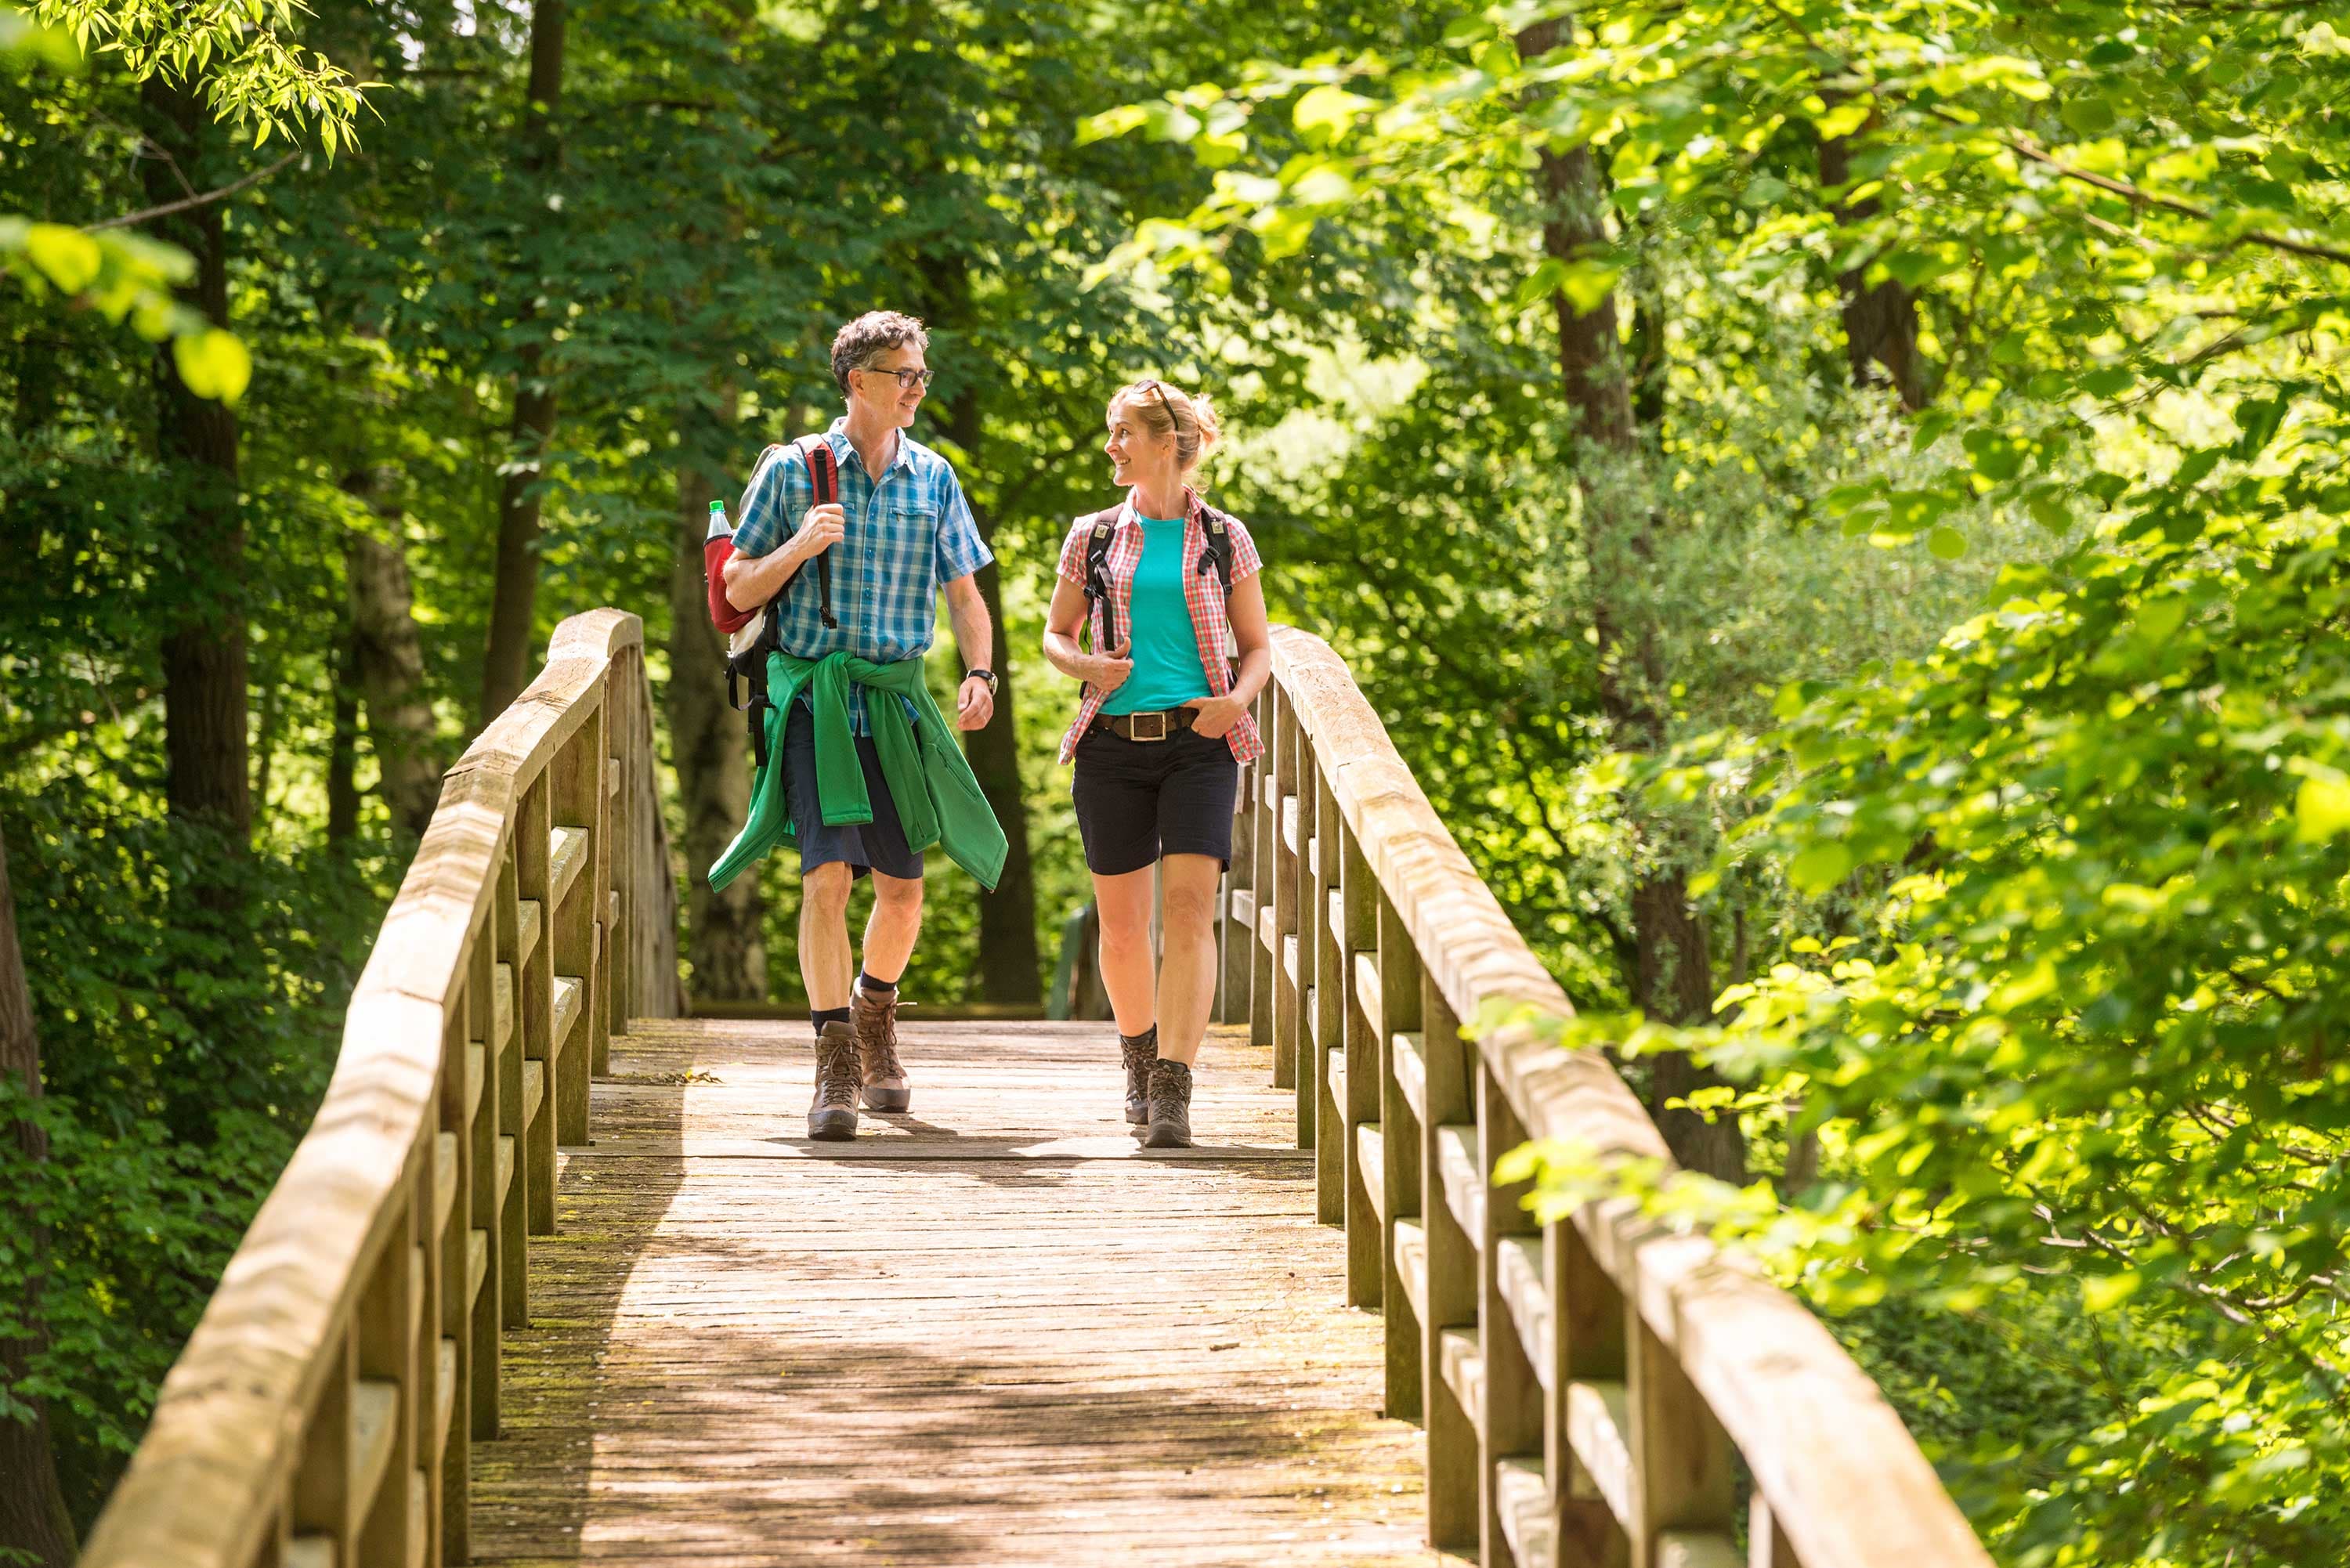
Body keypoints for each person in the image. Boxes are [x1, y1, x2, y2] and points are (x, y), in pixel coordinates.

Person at [719, 310, 1004, 1142]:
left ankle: (874, 1011)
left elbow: (964, 596)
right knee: (826, 880)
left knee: (905, 892)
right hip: (815, 701)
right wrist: (800, 547)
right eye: (903, 372)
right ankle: (834, 1053)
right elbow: (737, 589)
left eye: (922, 372)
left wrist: (979, 671)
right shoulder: (792, 471)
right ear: (856, 379)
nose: (918, 386)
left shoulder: (933, 478)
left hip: (896, 701)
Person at [1041, 378, 1271, 1149]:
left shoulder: (1224, 538)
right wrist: (1087, 668)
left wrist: (1237, 701)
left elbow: (1261, 647)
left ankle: (1173, 1084)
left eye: (1121, 434)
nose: (1110, 447)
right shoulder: (1094, 535)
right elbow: (1055, 637)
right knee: (1122, 925)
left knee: (1187, 912)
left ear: (1168, 443)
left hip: (1200, 742)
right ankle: (1137, 1057)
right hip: (1109, 746)